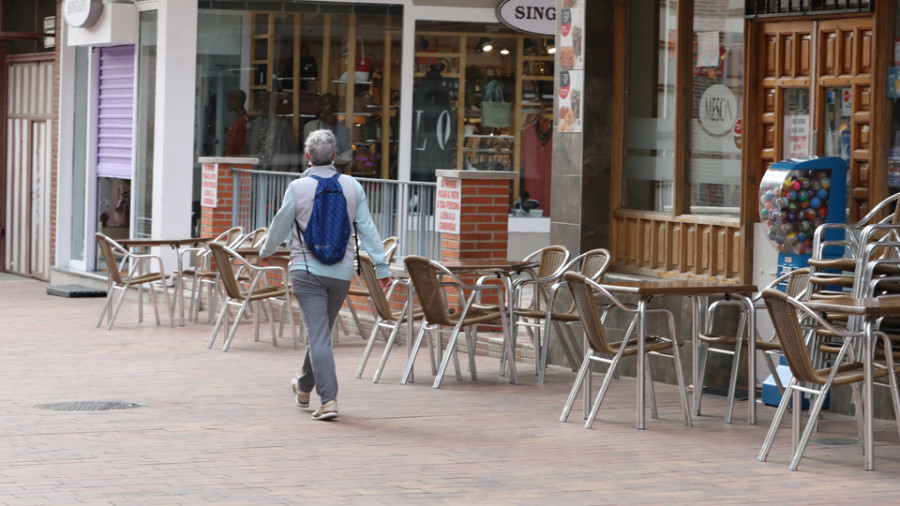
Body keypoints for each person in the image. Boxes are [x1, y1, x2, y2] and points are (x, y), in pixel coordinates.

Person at [259, 129, 393, 421]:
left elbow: (280, 224)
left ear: (307, 156)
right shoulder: (353, 186)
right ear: (335, 156)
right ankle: (304, 386)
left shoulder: (297, 187)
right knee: (320, 334)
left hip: (306, 270)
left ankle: (329, 399)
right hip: (342, 273)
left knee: (319, 336)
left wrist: (266, 251)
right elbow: (367, 229)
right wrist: (382, 267)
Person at [301, 93, 352, 171]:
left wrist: (328, 160)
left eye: (327, 104)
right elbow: (306, 154)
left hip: (335, 173)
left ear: (334, 106)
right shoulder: (311, 126)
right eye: (321, 104)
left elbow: (347, 157)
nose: (323, 108)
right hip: (314, 173)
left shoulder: (344, 130)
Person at [224, 89, 250, 157]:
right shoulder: (239, 120)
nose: (228, 104)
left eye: (230, 101)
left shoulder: (241, 121)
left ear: (238, 102)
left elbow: (237, 145)